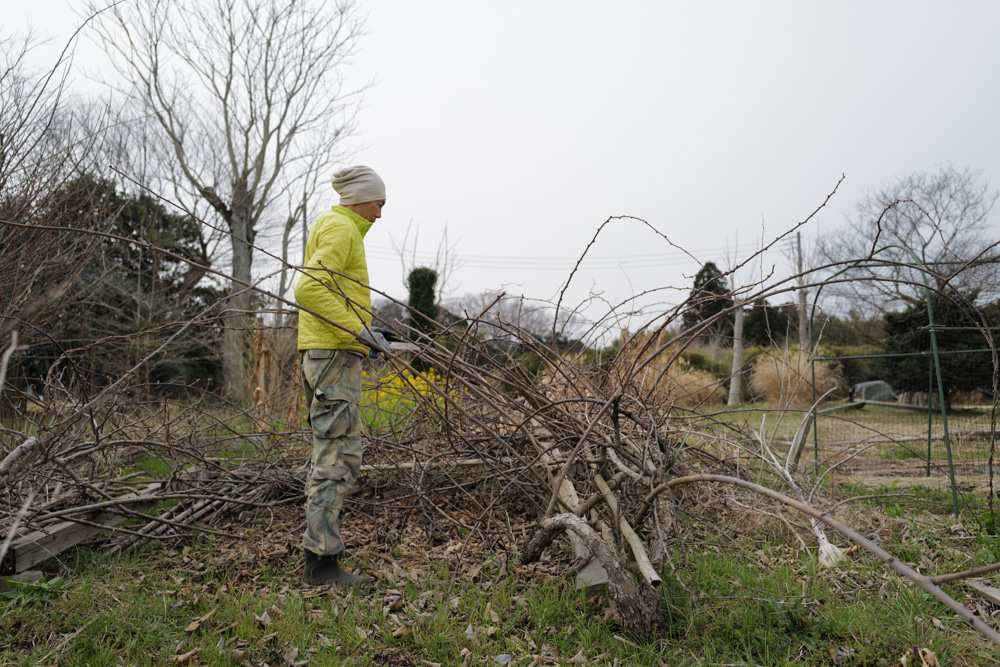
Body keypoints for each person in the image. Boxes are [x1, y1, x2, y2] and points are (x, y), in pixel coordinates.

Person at [294, 165, 388, 587]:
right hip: (333, 355)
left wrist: (367, 332)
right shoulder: (342, 227)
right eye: (379, 203)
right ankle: (321, 561)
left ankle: (323, 546)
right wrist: (356, 331)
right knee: (339, 455)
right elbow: (309, 289)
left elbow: (331, 294)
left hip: (329, 351)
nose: (380, 214)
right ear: (360, 199)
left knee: (331, 451)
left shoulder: (333, 226)